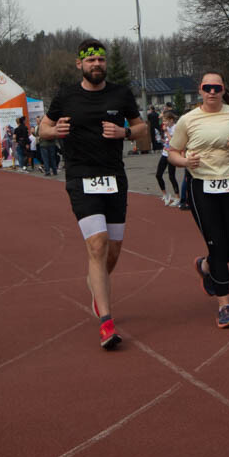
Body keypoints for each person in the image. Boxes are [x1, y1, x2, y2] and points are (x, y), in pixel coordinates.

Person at [38, 39, 146, 350]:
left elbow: (143, 130)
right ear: (79, 65)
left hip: (114, 177)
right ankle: (107, 322)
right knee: (97, 246)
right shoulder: (66, 95)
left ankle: (95, 286)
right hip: (81, 177)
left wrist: (125, 132)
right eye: (90, 61)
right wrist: (53, 131)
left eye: (100, 60)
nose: (96, 65)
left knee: (112, 252)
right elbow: (42, 129)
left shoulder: (121, 94)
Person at [169, 72, 229, 329]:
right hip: (202, 187)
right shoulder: (188, 120)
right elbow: (173, 154)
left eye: (216, 87)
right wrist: (185, 162)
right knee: (218, 245)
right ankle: (225, 306)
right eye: (207, 87)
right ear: (200, 90)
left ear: (222, 90)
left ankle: (205, 264)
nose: (212, 92)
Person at [155, 111, 179, 205]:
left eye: (165, 121)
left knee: (171, 176)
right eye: (163, 121)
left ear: (171, 120)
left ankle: (177, 197)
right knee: (158, 174)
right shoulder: (167, 128)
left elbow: (173, 141)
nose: (163, 123)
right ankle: (165, 194)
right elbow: (167, 141)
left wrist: (166, 132)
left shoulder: (175, 127)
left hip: (172, 154)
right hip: (165, 153)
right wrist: (162, 140)